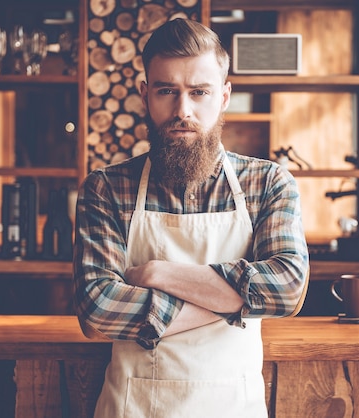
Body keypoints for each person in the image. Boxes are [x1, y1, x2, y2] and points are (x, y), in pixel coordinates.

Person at [73, 18, 309, 418]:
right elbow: (98, 308)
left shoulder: (268, 183)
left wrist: (156, 274)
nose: (183, 110)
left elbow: (287, 288)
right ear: (146, 95)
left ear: (224, 96)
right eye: (167, 91)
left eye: (199, 92)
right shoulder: (106, 188)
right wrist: (238, 302)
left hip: (235, 407)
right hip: (134, 409)